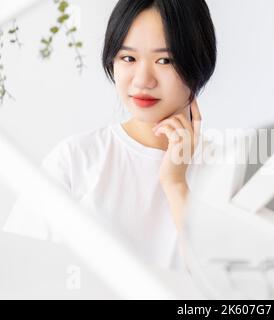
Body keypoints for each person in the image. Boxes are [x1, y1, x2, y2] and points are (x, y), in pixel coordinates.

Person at [3, 0, 217, 271]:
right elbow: (19, 273)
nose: (142, 80)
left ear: (198, 63)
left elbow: (228, 289)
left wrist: (175, 185)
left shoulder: (225, 171)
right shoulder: (75, 159)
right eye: (128, 58)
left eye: (165, 60)